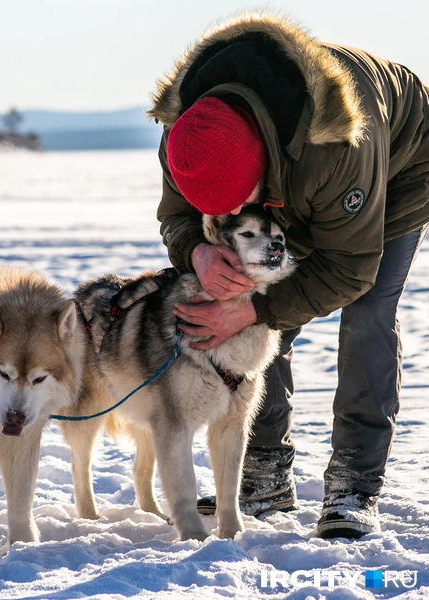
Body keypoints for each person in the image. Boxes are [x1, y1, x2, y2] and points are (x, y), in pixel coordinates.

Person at [149, 12, 429, 539]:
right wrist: (198, 254)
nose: (228, 219)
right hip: (290, 173)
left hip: (397, 166)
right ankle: (265, 471)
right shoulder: (188, 132)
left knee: (365, 315)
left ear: (259, 172)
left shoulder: (336, 143)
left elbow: (350, 268)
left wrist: (254, 307)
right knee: (245, 306)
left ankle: (353, 484)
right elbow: (177, 216)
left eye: (237, 205)